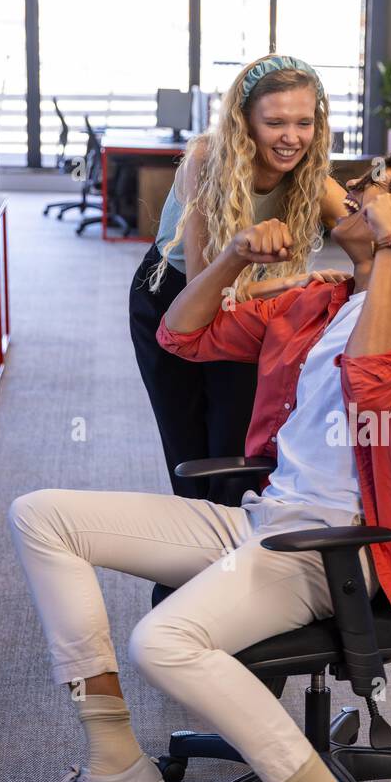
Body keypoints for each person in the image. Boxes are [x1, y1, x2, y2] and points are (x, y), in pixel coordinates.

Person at [8, 151, 391, 782]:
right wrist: (230, 255)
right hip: (261, 518)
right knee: (41, 513)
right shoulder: (320, 299)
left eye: (373, 187)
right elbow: (181, 336)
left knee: (163, 640)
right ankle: (114, 759)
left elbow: (375, 388)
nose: (351, 190)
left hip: (333, 547)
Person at [128, 54, 348, 502]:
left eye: (304, 123)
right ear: (244, 121)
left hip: (246, 309)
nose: (292, 138)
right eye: (276, 123)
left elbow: (371, 230)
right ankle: (185, 563)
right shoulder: (207, 160)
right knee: (188, 451)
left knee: (237, 447)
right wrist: (290, 284)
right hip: (175, 300)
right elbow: (207, 284)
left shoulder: (311, 176)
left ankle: (229, 562)